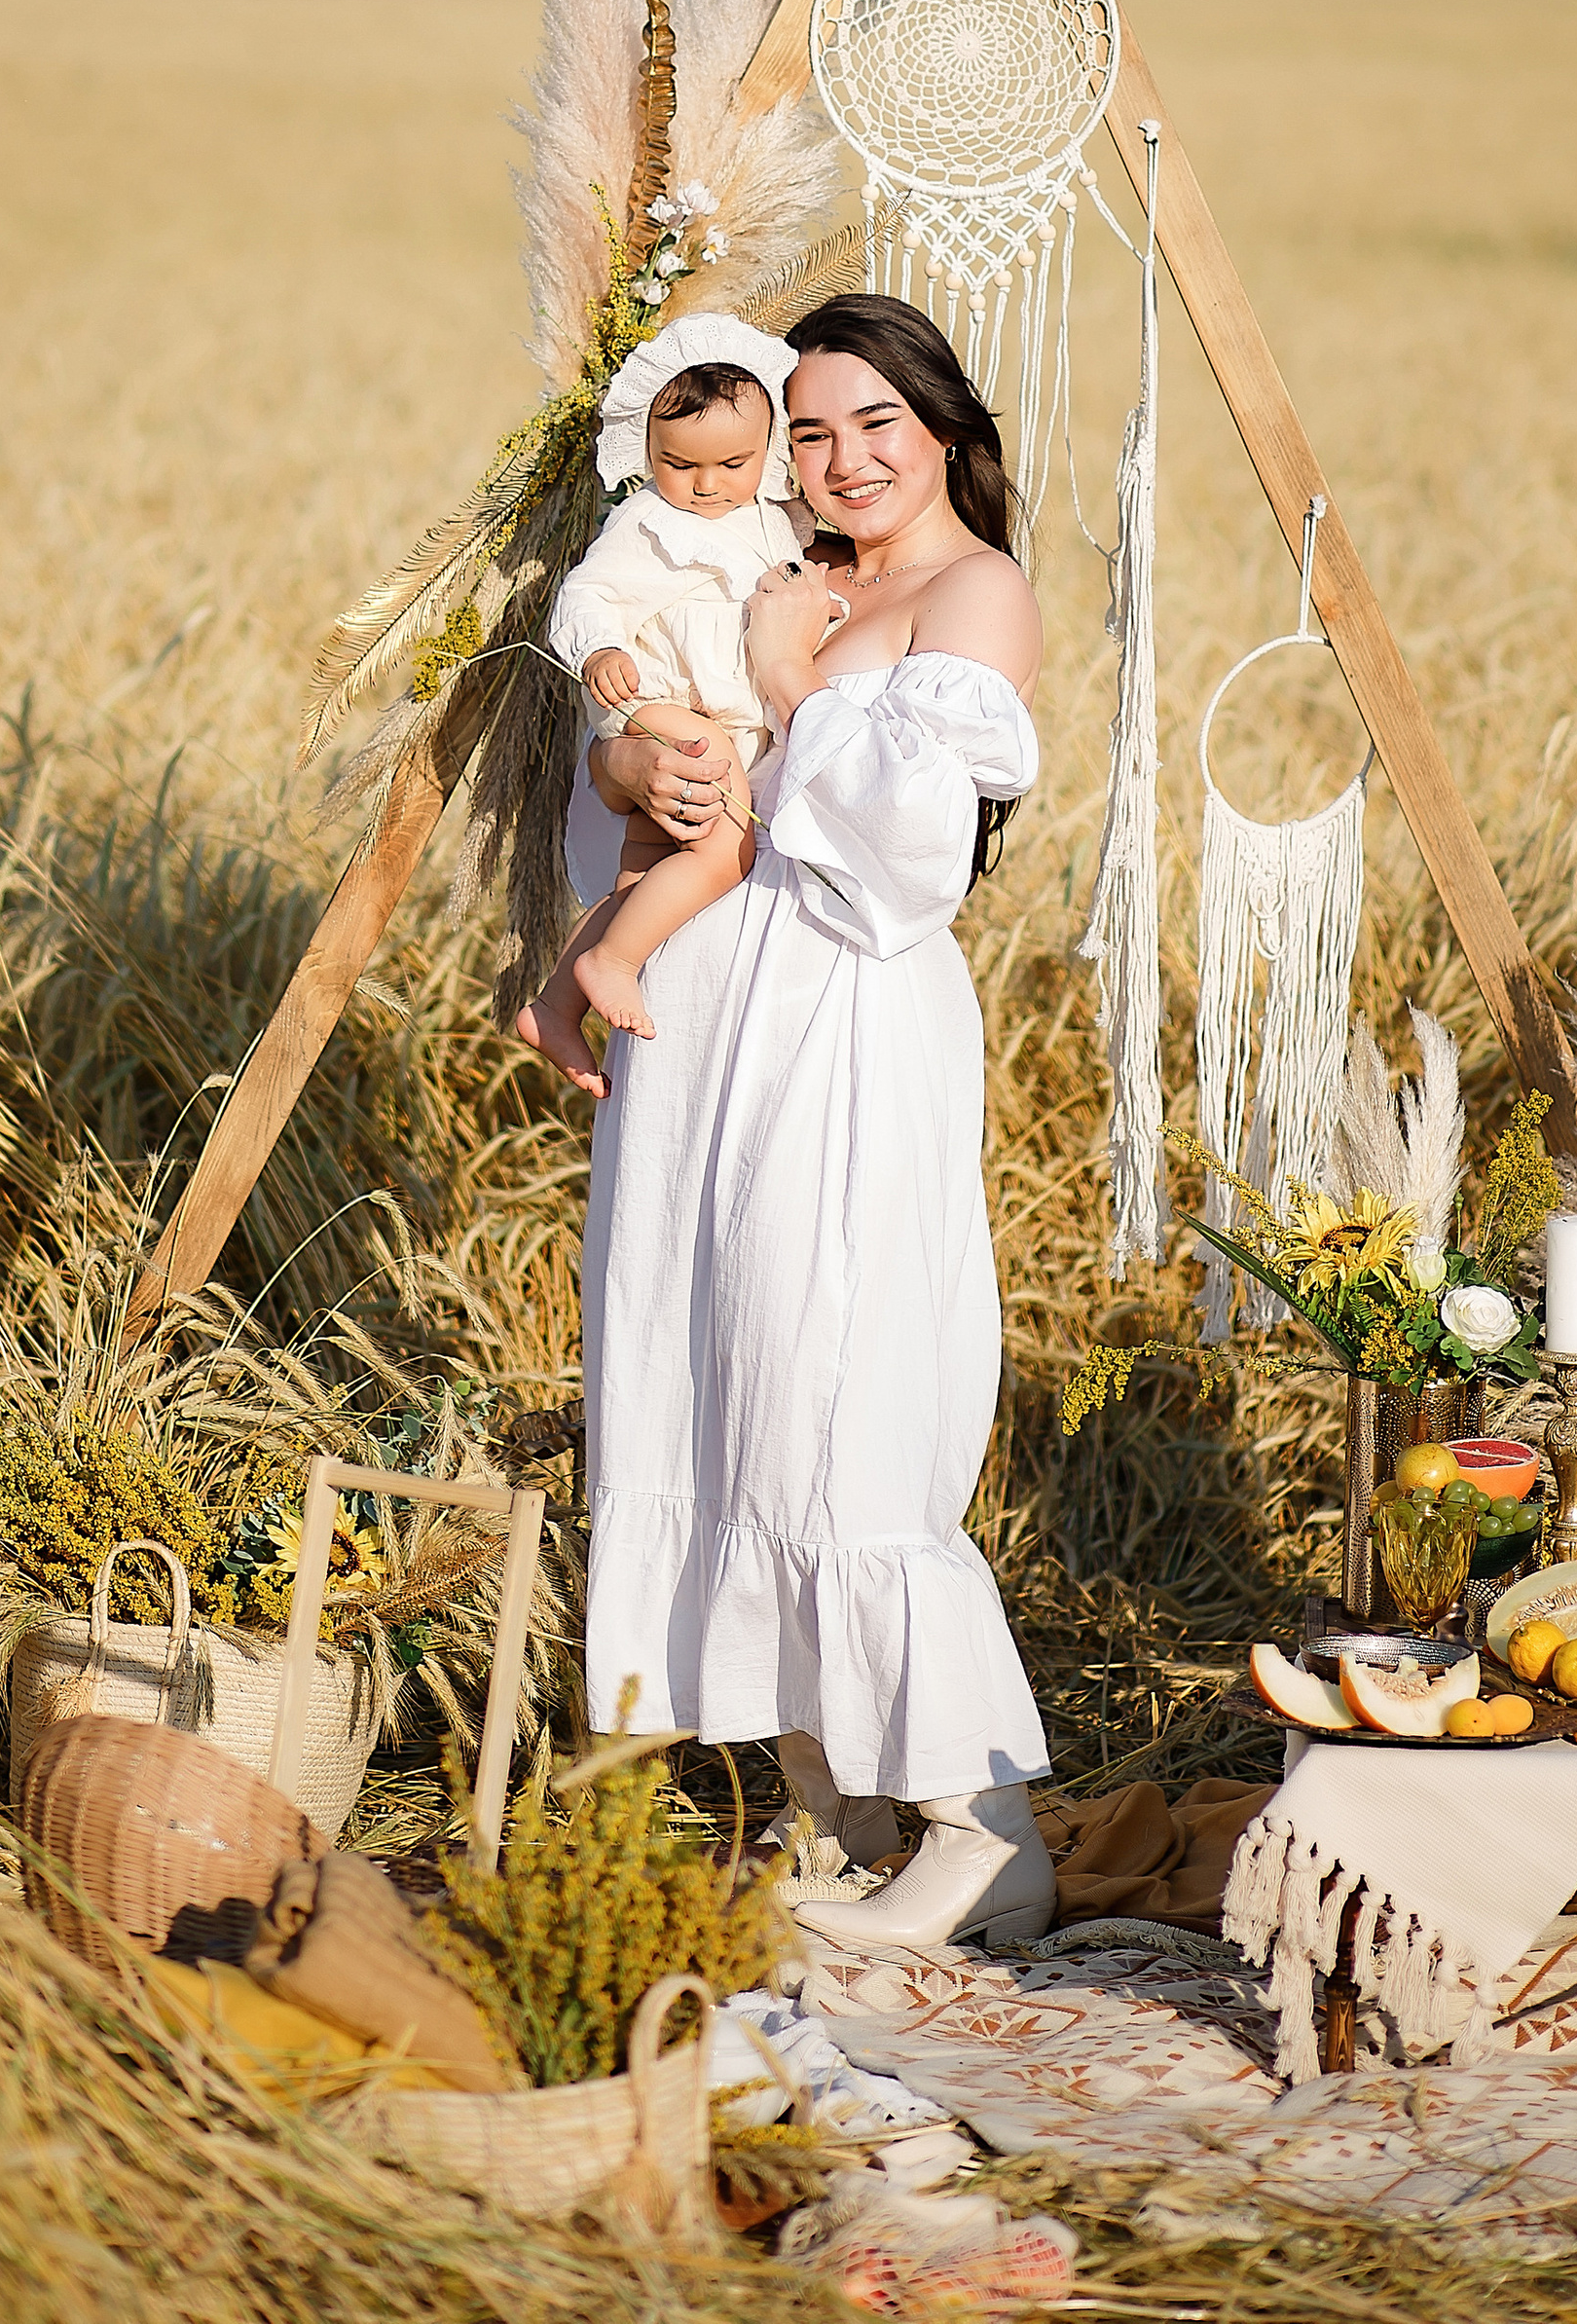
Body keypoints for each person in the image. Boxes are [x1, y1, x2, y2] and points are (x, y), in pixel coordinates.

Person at [572, 289, 1057, 1952]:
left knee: (843, 1377)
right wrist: (648, 764)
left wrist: (800, 684)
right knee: (718, 1371)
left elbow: (912, 860)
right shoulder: (769, 562)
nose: (843, 460)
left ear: (943, 432)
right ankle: (826, 1803)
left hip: (847, 1018)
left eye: (878, 426)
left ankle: (978, 1821)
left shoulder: (971, 591)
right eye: (814, 429)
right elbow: (625, 752)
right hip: (707, 1013)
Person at [514, 318, 813, 1088]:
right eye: (678, 463)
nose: (705, 483)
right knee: (727, 847)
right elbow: (588, 592)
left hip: (717, 717)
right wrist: (598, 648)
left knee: (641, 876)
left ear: (770, 447)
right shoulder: (645, 522)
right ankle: (614, 961)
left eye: (732, 463)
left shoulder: (772, 520)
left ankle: (552, 1006)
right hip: (659, 703)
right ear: (644, 453)